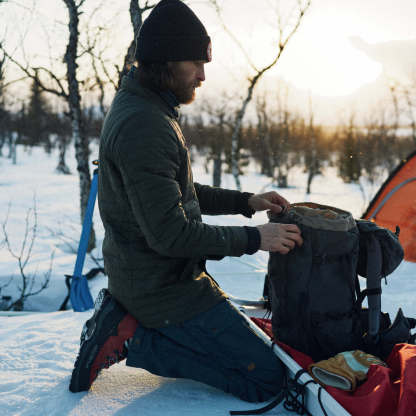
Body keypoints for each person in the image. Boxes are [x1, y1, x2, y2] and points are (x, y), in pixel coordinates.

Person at [69, 0, 303, 403]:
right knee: (268, 378)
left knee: (260, 346)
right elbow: (171, 235)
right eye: (195, 63)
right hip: (162, 290)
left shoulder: (148, 107)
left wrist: (246, 201)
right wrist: (256, 239)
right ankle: (134, 338)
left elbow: (177, 194)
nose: (202, 75)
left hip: (158, 276)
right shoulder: (145, 124)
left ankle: (136, 325)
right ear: (165, 60)